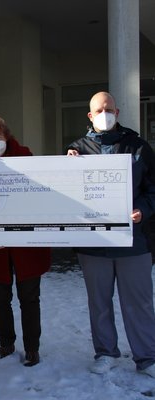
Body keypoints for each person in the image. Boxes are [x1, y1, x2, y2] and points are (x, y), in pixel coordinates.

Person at [67, 91, 155, 376]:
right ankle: (105, 352)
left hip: (134, 240)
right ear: (90, 116)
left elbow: (152, 189)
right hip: (93, 244)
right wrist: (66, 167)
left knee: (138, 302)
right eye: (98, 110)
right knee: (99, 302)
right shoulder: (75, 150)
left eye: (109, 109)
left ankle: (147, 357)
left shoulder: (138, 147)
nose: (105, 114)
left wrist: (142, 209)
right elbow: (64, 192)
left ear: (117, 112)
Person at [0, 114, 51, 367]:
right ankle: (6, 343)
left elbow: (38, 198)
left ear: (7, 136)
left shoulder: (26, 158)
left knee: (29, 298)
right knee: (0, 298)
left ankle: (32, 348)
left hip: (26, 246)